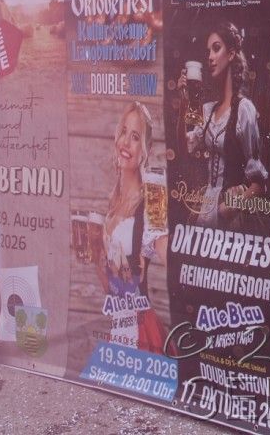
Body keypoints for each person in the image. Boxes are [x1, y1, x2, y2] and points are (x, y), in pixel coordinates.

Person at [87, 102, 167, 352]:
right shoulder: (114, 201)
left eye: (135, 137)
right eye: (124, 132)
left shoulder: (150, 200)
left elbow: (169, 258)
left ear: (146, 149)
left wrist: (161, 220)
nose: (126, 143)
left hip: (140, 328)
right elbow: (111, 288)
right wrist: (96, 258)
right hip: (118, 326)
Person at [184, 23, 267, 225]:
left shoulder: (244, 110)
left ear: (231, 54)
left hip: (231, 211)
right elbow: (185, 148)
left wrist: (227, 210)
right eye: (208, 51)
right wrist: (183, 105)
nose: (210, 57)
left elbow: (258, 183)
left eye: (216, 48)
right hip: (206, 203)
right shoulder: (208, 110)